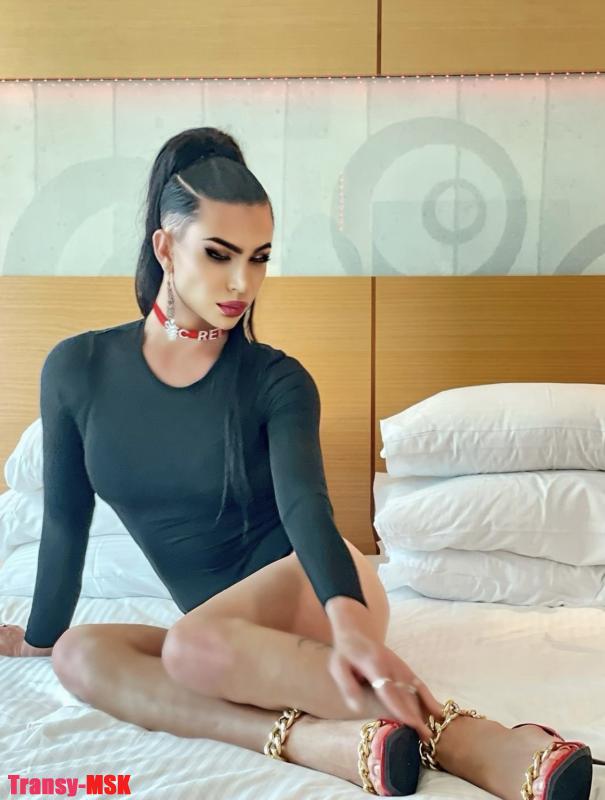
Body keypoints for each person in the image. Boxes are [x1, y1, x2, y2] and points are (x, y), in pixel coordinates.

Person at [1, 127, 600, 798]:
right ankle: (316, 741)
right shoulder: (76, 369)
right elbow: (65, 521)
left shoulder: (276, 380)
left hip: (314, 588)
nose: (242, 282)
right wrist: (39, 637)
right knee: (81, 655)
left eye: (258, 258)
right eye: (219, 254)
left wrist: (349, 624)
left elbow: (305, 509)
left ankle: (469, 738)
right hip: (216, 632)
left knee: (190, 644)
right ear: (165, 247)